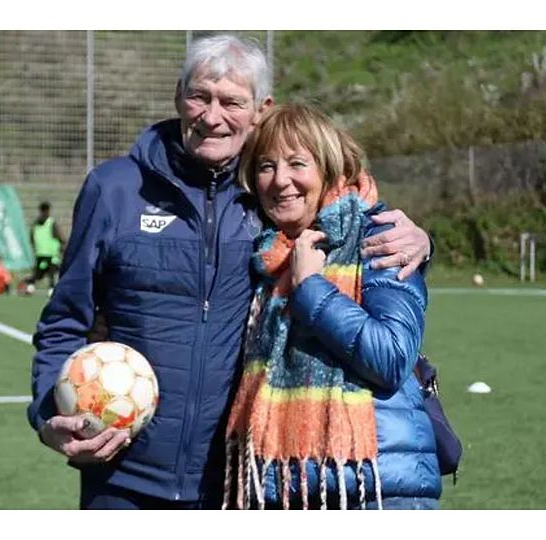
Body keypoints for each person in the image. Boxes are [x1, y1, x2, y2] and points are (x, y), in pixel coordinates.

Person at [27, 34, 433, 510]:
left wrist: (421, 242)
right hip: (121, 475)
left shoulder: (271, 200)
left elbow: (348, 215)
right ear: (179, 95)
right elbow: (63, 319)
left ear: (261, 109)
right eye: (200, 96)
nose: (212, 116)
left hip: (234, 484)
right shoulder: (114, 188)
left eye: (231, 102)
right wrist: (48, 415)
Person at [222, 103, 439, 510]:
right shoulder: (266, 254)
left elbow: (391, 356)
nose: (280, 180)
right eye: (266, 166)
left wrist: (310, 288)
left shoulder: (380, 237)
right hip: (283, 488)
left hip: (372, 489)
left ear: (329, 169)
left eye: (296, 163)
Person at [20, 201, 66, 295]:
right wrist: (63, 245)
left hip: (41, 253)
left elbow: (32, 238)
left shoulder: (36, 224)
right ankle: (46, 288)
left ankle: (33, 286)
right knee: (44, 272)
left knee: (48, 271)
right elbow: (60, 236)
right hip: (50, 253)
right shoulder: (51, 223)